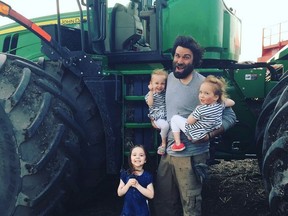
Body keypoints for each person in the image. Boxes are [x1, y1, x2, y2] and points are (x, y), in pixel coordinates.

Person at [153, 35, 236, 216]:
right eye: (177, 56)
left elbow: (230, 115)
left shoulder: (204, 84)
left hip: (192, 155)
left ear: (194, 60)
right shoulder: (168, 80)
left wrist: (209, 135)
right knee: (164, 202)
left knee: (190, 203)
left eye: (186, 57)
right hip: (168, 153)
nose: (179, 61)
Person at [170, 75, 235, 151]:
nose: (202, 96)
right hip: (209, 129)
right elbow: (232, 102)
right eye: (200, 92)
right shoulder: (220, 105)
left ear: (216, 97)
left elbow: (189, 121)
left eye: (206, 93)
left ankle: (178, 144)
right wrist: (221, 100)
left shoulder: (200, 109)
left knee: (174, 119)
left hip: (196, 135)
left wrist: (193, 113)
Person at [117, 144, 154, 216]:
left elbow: (151, 195)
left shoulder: (147, 176)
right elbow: (120, 193)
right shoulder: (125, 174)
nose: (137, 157)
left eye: (141, 155)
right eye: (134, 155)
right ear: (130, 158)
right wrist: (128, 185)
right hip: (128, 211)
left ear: (145, 160)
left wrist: (137, 185)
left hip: (142, 212)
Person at [145, 69, 169, 155]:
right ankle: (163, 144)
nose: (159, 86)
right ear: (151, 83)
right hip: (157, 117)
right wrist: (151, 91)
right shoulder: (150, 94)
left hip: (166, 115)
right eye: (156, 83)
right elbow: (150, 104)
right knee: (165, 126)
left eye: (162, 83)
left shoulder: (165, 93)